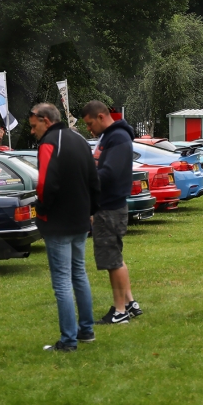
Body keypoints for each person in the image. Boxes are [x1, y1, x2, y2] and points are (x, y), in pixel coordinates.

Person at [30, 102, 98, 352]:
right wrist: (91, 210)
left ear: (45, 120)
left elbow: (46, 183)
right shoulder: (79, 139)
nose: (32, 130)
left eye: (33, 125)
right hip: (80, 219)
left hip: (58, 221)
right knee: (79, 274)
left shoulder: (49, 143)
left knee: (62, 281)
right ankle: (87, 330)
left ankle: (69, 339)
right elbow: (94, 178)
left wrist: (41, 208)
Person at [82, 100, 142, 325]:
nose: (89, 129)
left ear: (101, 117)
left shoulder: (117, 137)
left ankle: (119, 312)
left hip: (109, 207)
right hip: (108, 205)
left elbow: (109, 173)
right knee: (116, 256)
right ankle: (129, 303)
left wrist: (84, 181)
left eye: (89, 124)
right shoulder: (111, 136)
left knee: (112, 260)